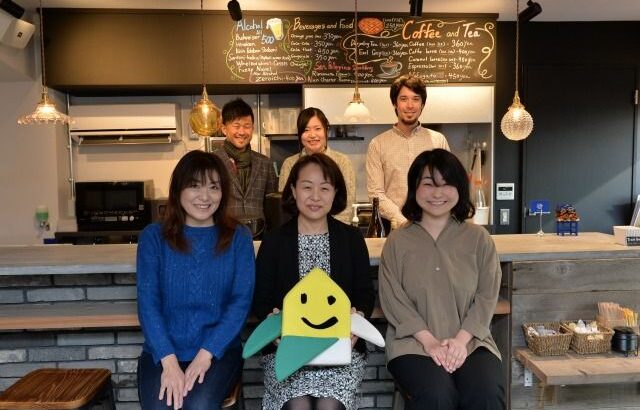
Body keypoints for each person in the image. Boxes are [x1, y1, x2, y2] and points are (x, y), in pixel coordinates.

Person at [378, 148, 505, 410]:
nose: (437, 193)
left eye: (447, 184)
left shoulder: (478, 239)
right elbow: (393, 299)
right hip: (413, 344)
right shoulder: (397, 241)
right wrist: (430, 343)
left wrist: (460, 341)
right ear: (414, 188)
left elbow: (486, 296)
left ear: (460, 189)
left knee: (486, 392)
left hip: (471, 341)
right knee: (436, 395)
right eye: (428, 184)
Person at [254, 153, 375, 410]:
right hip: (288, 351)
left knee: (329, 406)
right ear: (293, 191)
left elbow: (365, 294)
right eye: (307, 187)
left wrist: (357, 321)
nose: (315, 196)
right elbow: (261, 299)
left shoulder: (351, 239)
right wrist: (273, 326)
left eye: (325, 188)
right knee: (297, 405)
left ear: (335, 193)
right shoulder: (274, 241)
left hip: (340, 351)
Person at [136, 150, 255, 410]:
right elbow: (148, 304)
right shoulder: (153, 237)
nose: (205, 196)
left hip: (217, 352)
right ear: (178, 190)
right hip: (163, 352)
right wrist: (169, 362)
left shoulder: (239, 237)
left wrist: (204, 356)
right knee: (161, 406)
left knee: (198, 406)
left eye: (214, 187)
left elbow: (240, 304)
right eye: (194, 186)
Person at [366, 74, 450, 231]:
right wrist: (401, 220)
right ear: (395, 103)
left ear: (422, 104)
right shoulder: (377, 144)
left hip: (433, 226)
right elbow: (375, 194)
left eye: (416, 99)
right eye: (403, 99)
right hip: (393, 228)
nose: (410, 105)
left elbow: (448, 184)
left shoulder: (438, 141)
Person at [213, 98, 278, 238]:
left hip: (260, 236)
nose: (242, 132)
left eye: (247, 126)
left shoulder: (265, 163)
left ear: (253, 128)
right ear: (224, 129)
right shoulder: (212, 162)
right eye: (236, 126)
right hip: (223, 235)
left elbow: (272, 207)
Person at [278, 107, 356, 224]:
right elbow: (286, 205)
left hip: (335, 230)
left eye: (317, 129)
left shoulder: (342, 162)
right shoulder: (290, 164)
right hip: (299, 230)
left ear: (326, 130)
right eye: (306, 130)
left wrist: (331, 230)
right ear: (300, 134)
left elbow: (347, 206)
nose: (312, 135)